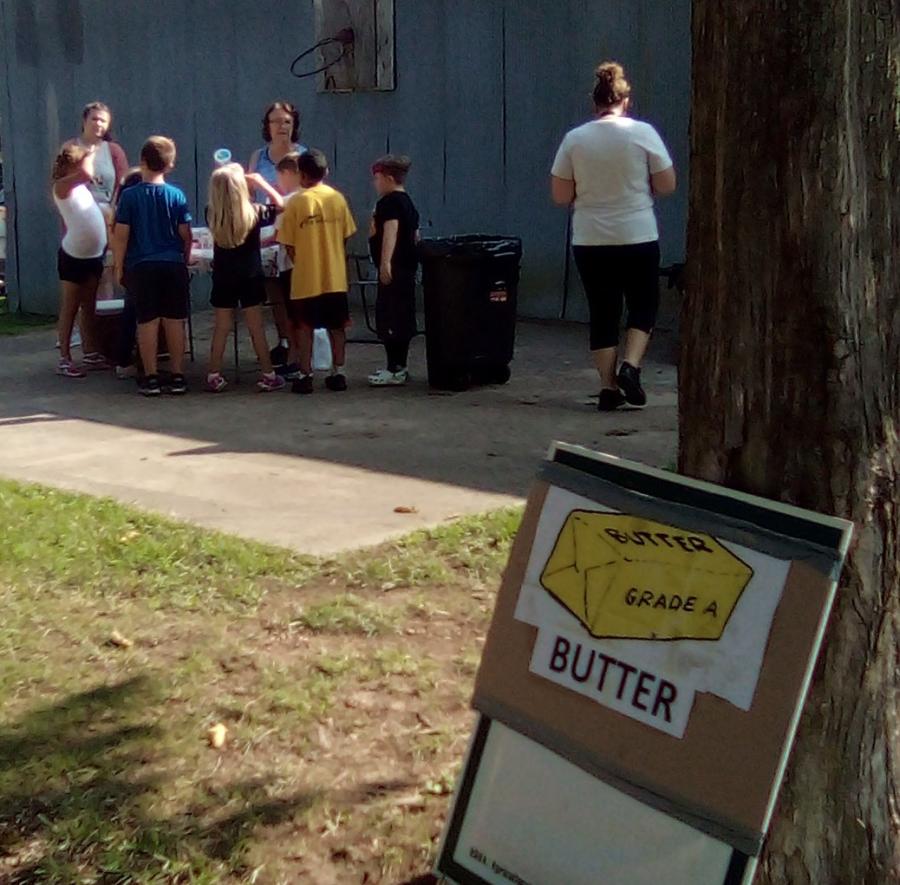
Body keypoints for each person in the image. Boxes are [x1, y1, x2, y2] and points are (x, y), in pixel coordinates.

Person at [551, 61, 676, 411]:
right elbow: (667, 185)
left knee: (603, 311)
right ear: (627, 100)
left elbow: (560, 196)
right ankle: (630, 366)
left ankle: (608, 388)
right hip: (637, 233)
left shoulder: (574, 140)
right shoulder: (644, 133)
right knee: (643, 304)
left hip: (591, 239)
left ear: (595, 103)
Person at [113, 136, 192, 397]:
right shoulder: (176, 195)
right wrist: (185, 256)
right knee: (174, 321)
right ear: (170, 165)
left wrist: (118, 266)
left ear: (142, 161)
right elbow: (185, 233)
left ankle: (151, 377)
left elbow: (121, 235)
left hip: (142, 265)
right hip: (172, 263)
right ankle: (178, 375)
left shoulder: (130, 197)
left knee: (146, 322)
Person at [276, 149, 357, 394]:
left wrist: (302, 260)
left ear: (301, 174)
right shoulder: (338, 199)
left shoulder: (297, 202)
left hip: (305, 277)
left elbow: (288, 243)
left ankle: (305, 373)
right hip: (334, 276)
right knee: (337, 326)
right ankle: (339, 371)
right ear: (326, 172)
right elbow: (345, 235)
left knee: (304, 326)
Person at [204, 163, 286, 393]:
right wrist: (260, 182)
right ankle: (268, 373)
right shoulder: (256, 211)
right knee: (256, 327)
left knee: (221, 327)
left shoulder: (211, 211)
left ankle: (214, 373)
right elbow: (281, 204)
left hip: (223, 275)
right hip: (250, 275)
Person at [248, 101, 307, 366]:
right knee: (273, 288)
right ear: (267, 126)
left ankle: (301, 346)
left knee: (295, 289)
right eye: (276, 121)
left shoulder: (303, 156)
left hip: (295, 227)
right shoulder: (258, 156)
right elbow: (248, 194)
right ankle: (283, 340)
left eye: (287, 121)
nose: (281, 126)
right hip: (265, 227)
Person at [51, 143, 108, 377]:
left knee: (89, 307)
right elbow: (86, 173)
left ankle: (91, 352)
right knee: (70, 307)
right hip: (73, 256)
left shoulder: (80, 187)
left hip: (93, 255)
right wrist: (92, 150)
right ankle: (64, 357)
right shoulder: (62, 186)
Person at [367, 155, 420, 386]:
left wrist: (385, 262)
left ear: (388, 178)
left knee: (390, 317)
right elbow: (415, 235)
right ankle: (400, 365)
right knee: (403, 316)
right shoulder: (408, 202)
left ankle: (394, 368)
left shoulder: (388, 203)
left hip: (395, 268)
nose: (375, 183)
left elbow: (391, 230)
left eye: (377, 178)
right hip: (408, 268)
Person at [272, 152, 305, 378]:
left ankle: (295, 359)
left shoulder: (290, 201)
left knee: (294, 316)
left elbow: (279, 234)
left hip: (292, 265)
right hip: (311, 265)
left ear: (289, 173)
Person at [112, 167, 144, 379]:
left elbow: (118, 240)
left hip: (132, 266)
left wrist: (119, 267)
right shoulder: (141, 207)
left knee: (130, 314)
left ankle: (124, 359)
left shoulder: (122, 209)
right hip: (141, 264)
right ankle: (135, 359)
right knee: (141, 316)